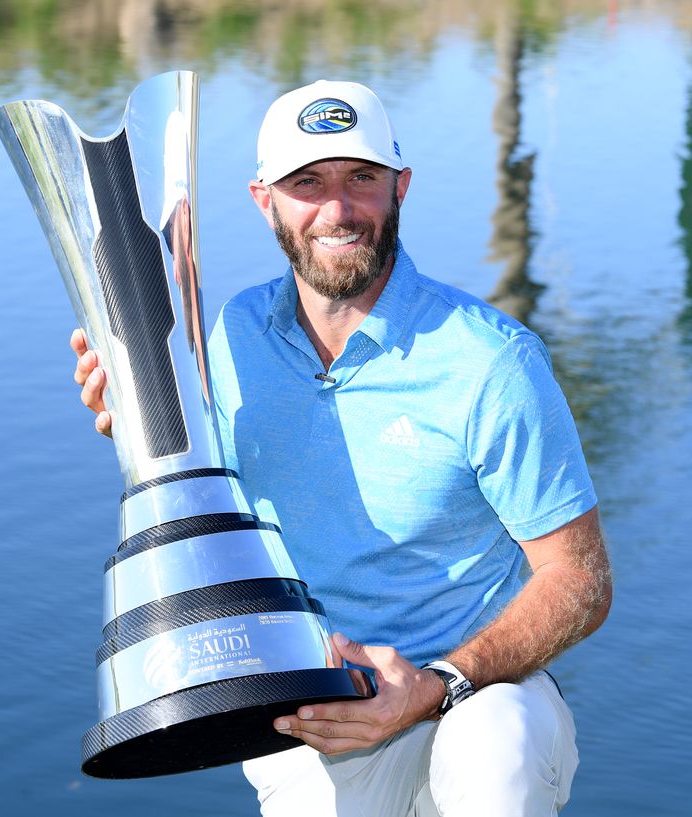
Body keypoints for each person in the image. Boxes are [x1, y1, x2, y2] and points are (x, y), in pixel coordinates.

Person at [72, 80, 612, 816]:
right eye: (308, 183)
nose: (338, 209)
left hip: (479, 691)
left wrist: (438, 681)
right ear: (265, 200)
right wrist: (136, 419)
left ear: (401, 188)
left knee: (496, 756)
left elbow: (578, 578)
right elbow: (203, 501)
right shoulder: (232, 338)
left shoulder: (492, 361)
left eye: (362, 178)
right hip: (316, 714)